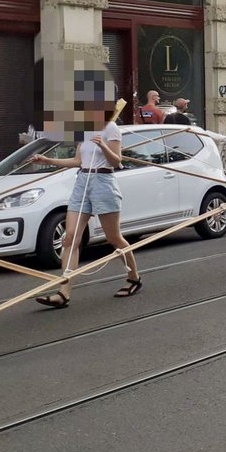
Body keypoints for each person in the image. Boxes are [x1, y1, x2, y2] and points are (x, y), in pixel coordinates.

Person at [30, 95, 142, 308]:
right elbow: (77, 161)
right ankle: (63, 292)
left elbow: (116, 161)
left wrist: (103, 146)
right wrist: (47, 160)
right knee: (69, 238)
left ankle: (134, 278)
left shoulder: (111, 128)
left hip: (103, 181)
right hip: (82, 181)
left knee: (114, 238)